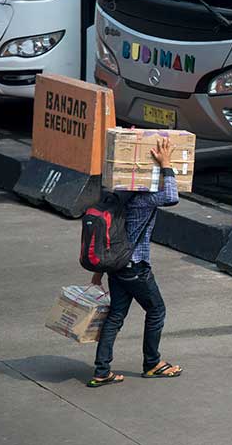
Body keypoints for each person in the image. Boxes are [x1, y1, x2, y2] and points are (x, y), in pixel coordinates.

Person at [87, 138, 183, 387]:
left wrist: (99, 271)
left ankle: (102, 371)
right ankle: (152, 364)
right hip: (135, 266)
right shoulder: (143, 197)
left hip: (116, 266)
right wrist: (166, 163)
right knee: (156, 310)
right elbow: (172, 196)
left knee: (116, 316)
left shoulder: (117, 195)